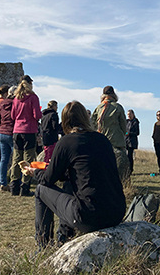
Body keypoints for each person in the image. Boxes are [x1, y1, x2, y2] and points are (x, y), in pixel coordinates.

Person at [24, 101, 126, 249]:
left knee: (41, 190)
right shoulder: (103, 140)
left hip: (89, 217)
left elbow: (48, 180)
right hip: (116, 212)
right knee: (69, 183)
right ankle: (64, 236)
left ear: (64, 121)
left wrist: (35, 172)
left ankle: (43, 246)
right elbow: (85, 171)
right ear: (85, 117)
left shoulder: (66, 142)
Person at [10, 79, 42, 196]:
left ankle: (14, 185)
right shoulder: (33, 97)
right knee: (28, 159)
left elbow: (13, 115)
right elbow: (36, 115)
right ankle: (25, 187)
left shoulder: (16, 98)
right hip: (29, 130)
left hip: (17, 130)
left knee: (16, 158)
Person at [91, 86, 129, 181]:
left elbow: (92, 124)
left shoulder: (98, 108)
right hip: (116, 142)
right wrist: (124, 133)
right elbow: (123, 126)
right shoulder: (118, 107)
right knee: (120, 168)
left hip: (101, 142)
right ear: (113, 95)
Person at [0, 86, 16, 192]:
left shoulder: (2, 103)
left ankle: (3, 183)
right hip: (12, 132)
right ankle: (15, 182)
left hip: (2, 133)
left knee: (4, 159)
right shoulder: (16, 103)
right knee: (16, 159)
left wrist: (0, 129)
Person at [125, 109, 140, 174]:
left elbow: (137, 132)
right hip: (126, 140)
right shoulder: (126, 121)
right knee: (125, 156)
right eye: (128, 114)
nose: (129, 115)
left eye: (130, 114)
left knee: (130, 156)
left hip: (132, 141)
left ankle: (130, 169)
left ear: (133, 114)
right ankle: (126, 169)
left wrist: (129, 133)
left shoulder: (135, 122)